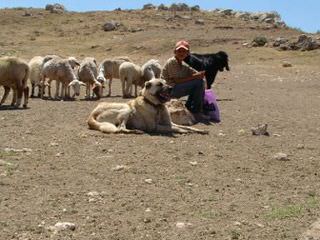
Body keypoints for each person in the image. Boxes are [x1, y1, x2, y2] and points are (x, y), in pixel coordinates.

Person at [161, 40, 210, 122]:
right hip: (168, 91)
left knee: (199, 82)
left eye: (184, 51)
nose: (181, 53)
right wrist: (196, 77)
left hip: (175, 89)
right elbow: (177, 81)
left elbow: (195, 73)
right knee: (198, 83)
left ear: (188, 53)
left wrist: (201, 76)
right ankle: (196, 112)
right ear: (174, 52)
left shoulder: (183, 65)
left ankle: (191, 107)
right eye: (179, 51)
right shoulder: (172, 62)